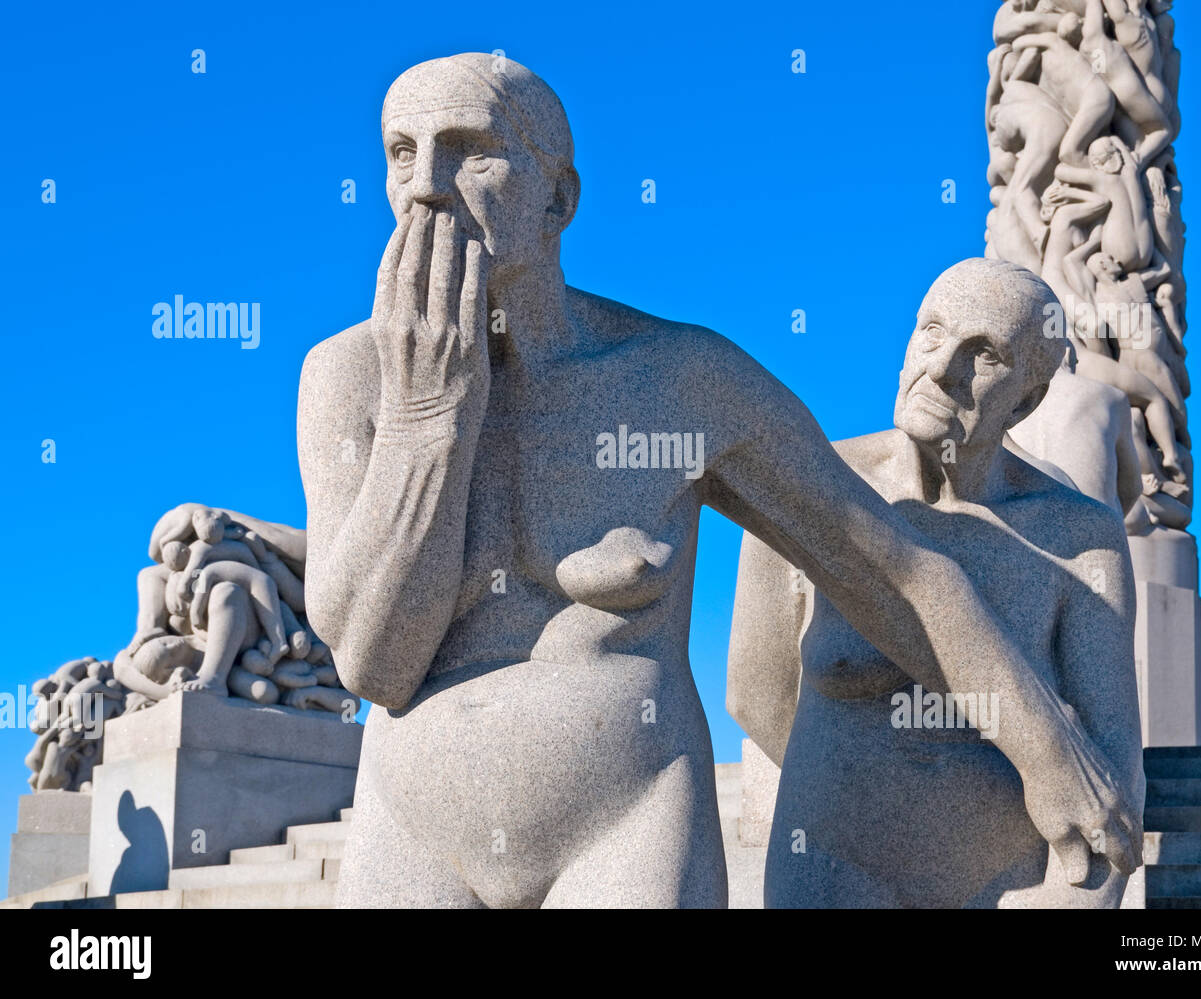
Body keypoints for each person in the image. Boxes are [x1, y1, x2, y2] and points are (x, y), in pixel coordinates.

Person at [298, 55, 1142, 908]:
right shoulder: (347, 380)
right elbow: (374, 663)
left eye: (469, 149)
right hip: (412, 830)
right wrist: (427, 417)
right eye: (401, 154)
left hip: (625, 825)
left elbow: (894, 569)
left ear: (559, 198)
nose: (425, 189)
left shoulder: (680, 379)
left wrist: (1051, 753)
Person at [728, 259, 1144, 908]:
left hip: (1017, 883)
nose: (942, 368)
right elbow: (756, 692)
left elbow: (1113, 747)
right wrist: (852, 791)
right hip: (838, 870)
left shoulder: (1076, 535)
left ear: (1028, 399)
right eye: (931, 333)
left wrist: (1082, 892)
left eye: (983, 355)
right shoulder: (810, 485)